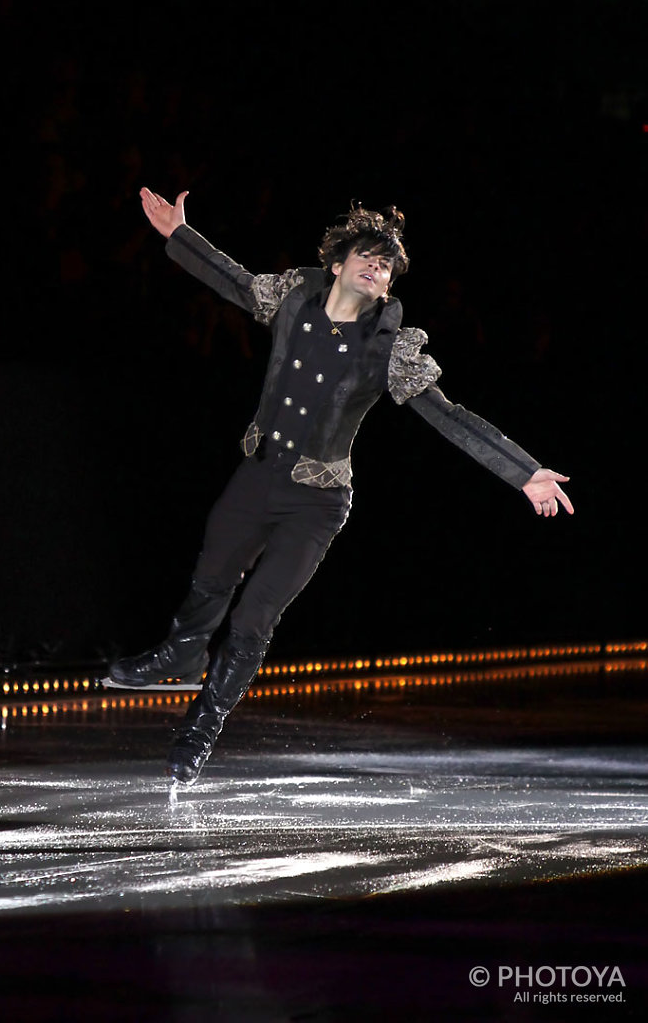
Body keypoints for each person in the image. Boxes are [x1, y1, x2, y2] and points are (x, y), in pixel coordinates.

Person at [108, 188, 574, 784]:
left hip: (316, 503)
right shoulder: (292, 298)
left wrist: (523, 470)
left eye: (386, 264)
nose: (376, 266)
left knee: (254, 618)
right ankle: (179, 653)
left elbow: (449, 414)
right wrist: (179, 235)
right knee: (211, 579)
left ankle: (202, 727)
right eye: (367, 255)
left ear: (387, 285)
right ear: (337, 264)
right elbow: (230, 280)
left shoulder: (389, 349)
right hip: (257, 477)